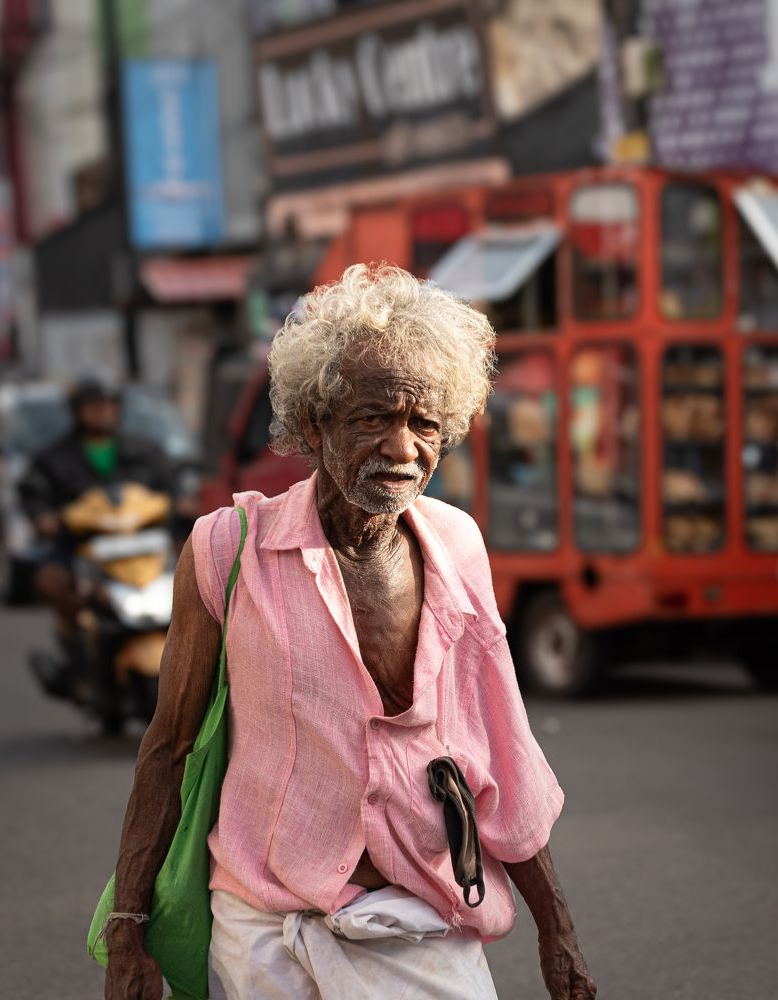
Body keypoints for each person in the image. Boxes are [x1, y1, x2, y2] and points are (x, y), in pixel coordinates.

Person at [103, 265, 597, 1000]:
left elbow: (502, 746)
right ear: (314, 425)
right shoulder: (227, 548)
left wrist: (556, 927)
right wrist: (128, 926)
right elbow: (170, 746)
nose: (403, 449)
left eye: (424, 423)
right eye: (373, 418)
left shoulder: (457, 545)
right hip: (264, 927)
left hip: (421, 910)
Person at [20, 378, 172, 689]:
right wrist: (43, 518)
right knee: (51, 580)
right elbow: (32, 494)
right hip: (83, 548)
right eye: (94, 407)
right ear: (78, 412)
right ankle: (77, 658)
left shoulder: (145, 450)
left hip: (142, 546)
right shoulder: (53, 458)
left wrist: (184, 500)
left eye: (109, 407)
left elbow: (173, 481)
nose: (103, 414)